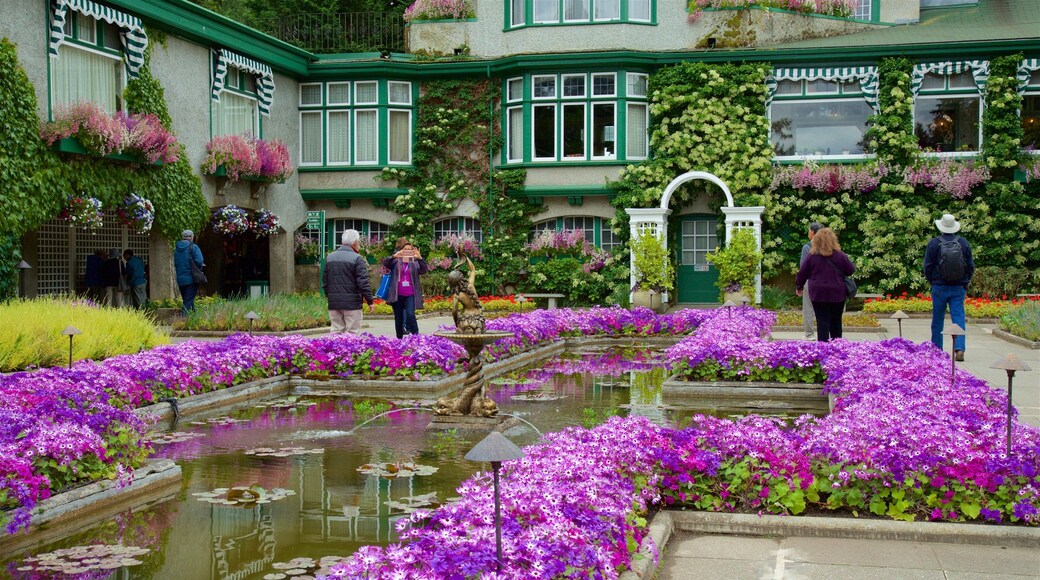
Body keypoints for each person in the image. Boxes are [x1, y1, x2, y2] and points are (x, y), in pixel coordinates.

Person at [923, 213, 974, 360]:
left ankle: (937, 350)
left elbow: (927, 266)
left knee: (938, 319)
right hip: (958, 287)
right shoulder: (963, 243)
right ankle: (959, 349)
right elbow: (970, 266)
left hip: (939, 287)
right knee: (958, 317)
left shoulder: (934, 243)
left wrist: (933, 281)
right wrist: (965, 282)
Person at [795, 228, 855, 342]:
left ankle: (823, 350)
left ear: (816, 240)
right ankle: (837, 348)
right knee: (836, 321)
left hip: (818, 294)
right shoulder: (840, 255)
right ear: (833, 240)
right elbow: (850, 270)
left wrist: (799, 287)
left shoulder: (812, 256)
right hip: (837, 293)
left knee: (822, 321)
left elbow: (802, 273)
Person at [323, 229, 374, 334]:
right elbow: (363, 282)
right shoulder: (357, 258)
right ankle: (349, 351)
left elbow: (325, 282)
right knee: (352, 332)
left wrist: (330, 296)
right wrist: (370, 301)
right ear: (355, 243)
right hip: (352, 303)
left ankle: (335, 350)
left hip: (334, 302)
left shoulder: (330, 257)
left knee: (336, 331)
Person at [382, 237, 429, 339]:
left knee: (410, 315)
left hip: (410, 294)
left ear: (412, 251)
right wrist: (394, 256)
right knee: (398, 318)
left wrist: (420, 258)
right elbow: (385, 263)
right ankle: (399, 338)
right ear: (401, 250)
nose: (407, 251)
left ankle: (416, 337)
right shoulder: (396, 261)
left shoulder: (415, 262)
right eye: (405, 249)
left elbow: (424, 270)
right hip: (397, 294)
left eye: (409, 249)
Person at [799, 222, 824, 339]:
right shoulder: (829, 247)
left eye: (809, 231)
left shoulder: (807, 247)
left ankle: (809, 334)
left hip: (811, 281)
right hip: (826, 281)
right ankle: (824, 333)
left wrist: (799, 285)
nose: (808, 233)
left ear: (813, 232)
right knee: (824, 308)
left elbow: (803, 267)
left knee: (808, 308)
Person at [174, 230, 205, 316]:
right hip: (191, 278)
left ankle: (194, 318)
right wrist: (197, 268)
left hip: (180, 279)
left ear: (182, 237)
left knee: (188, 300)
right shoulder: (193, 247)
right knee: (188, 301)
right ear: (192, 237)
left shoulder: (176, 248)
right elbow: (199, 260)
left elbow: (175, 263)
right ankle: (182, 319)